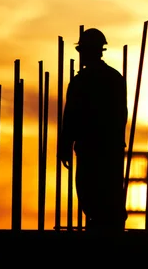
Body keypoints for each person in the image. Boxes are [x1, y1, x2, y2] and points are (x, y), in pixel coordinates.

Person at [59, 28, 128, 232]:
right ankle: (107, 226)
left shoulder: (81, 81)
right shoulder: (115, 77)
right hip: (108, 148)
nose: (80, 54)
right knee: (108, 191)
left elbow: (70, 116)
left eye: (82, 50)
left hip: (92, 147)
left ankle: (102, 228)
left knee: (89, 190)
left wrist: (65, 145)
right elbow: (121, 115)